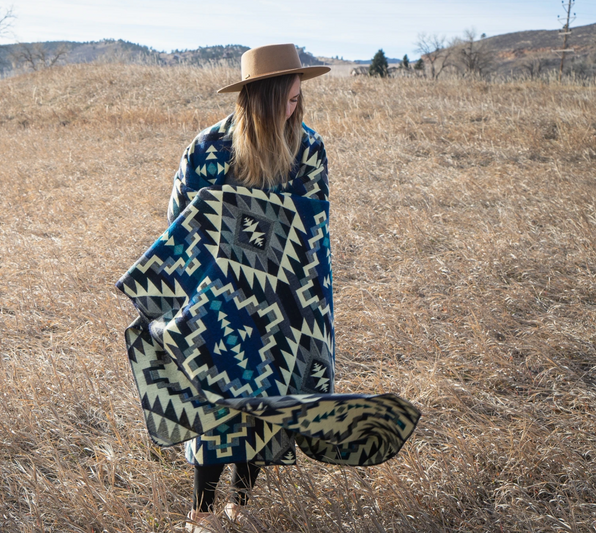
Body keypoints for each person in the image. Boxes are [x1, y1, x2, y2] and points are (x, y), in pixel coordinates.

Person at [115, 43, 420, 533]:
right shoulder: (207, 149)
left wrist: (307, 308)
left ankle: (241, 502)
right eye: (285, 99)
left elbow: (312, 231)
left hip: (284, 299)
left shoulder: (309, 149)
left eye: (298, 100)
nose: (292, 109)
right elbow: (179, 227)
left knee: (269, 403)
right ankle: (202, 511)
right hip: (216, 299)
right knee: (216, 401)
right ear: (258, 97)